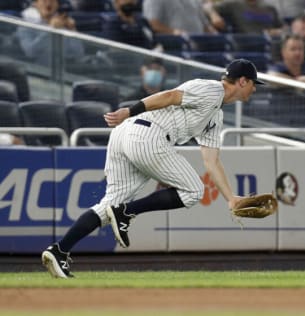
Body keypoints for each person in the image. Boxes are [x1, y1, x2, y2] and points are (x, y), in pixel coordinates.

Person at [41, 59, 264, 278]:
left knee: (109, 204)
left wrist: (231, 199)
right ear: (243, 81)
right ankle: (126, 212)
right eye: (254, 83)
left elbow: (211, 161)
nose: (255, 89)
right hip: (147, 134)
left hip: (129, 135)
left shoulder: (215, 115)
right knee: (194, 190)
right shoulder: (212, 89)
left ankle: (59, 250)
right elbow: (169, 96)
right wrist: (129, 111)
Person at [17, 0, 85, 67]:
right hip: (36, 71)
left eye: (52, 1)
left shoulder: (62, 22)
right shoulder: (26, 23)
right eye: (44, 1)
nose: (49, 4)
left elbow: (79, 55)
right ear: (35, 4)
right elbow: (30, 52)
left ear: (57, 5)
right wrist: (51, 30)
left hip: (63, 72)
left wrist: (72, 30)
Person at [142, 0, 218, 35]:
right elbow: (153, 24)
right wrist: (173, 32)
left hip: (200, 44)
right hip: (173, 46)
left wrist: (216, 36)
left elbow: (206, 26)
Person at [214, 0, 284, 36]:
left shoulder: (269, 7)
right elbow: (208, 7)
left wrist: (278, 31)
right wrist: (214, 16)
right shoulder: (234, 4)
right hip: (245, 44)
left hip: (269, 44)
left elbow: (283, 28)